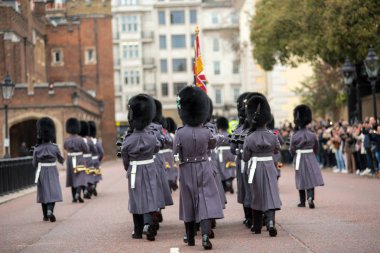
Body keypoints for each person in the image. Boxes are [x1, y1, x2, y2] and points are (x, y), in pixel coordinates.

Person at [174, 86, 224, 250]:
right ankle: (204, 236)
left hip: (186, 168)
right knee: (205, 201)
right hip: (204, 166)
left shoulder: (180, 133)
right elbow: (212, 145)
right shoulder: (206, 132)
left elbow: (176, 154)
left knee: (188, 202)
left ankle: (189, 238)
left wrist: (179, 163)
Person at [121, 94, 161, 241]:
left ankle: (137, 231)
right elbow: (156, 149)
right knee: (150, 198)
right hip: (150, 169)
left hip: (134, 171)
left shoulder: (128, 140)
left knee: (135, 199)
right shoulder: (152, 138)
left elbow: (125, 159)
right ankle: (148, 226)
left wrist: (129, 168)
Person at [242, 95, 281, 237]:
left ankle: (257, 226)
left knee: (256, 195)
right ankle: (270, 222)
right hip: (270, 166)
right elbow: (277, 150)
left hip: (255, 168)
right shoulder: (273, 136)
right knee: (270, 193)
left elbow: (246, 157)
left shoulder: (250, 137)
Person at [290, 105, 324, 209]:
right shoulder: (312, 134)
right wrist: (313, 155)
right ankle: (310, 198)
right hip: (311, 156)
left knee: (301, 178)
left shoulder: (295, 135)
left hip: (299, 157)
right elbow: (317, 147)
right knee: (311, 178)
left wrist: (294, 156)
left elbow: (292, 149)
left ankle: (302, 201)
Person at [33, 117, 64, 222]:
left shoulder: (37, 148)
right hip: (52, 170)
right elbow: (60, 159)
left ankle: (45, 215)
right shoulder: (54, 147)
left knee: (43, 192)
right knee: (53, 191)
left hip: (41, 170)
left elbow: (34, 163)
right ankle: (50, 210)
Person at [64, 118, 89, 203]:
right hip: (79, 159)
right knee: (80, 177)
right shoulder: (80, 139)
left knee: (72, 178)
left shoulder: (66, 139)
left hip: (70, 159)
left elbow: (64, 147)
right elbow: (86, 149)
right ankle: (78, 193)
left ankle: (74, 197)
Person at [216, 116, 236, 193]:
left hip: (221, 153)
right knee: (230, 166)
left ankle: (225, 184)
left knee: (222, 168)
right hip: (230, 152)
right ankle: (229, 180)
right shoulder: (230, 134)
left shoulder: (218, 135)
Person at [89, 121, 103, 196]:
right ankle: (94, 186)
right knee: (96, 175)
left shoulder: (86, 141)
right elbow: (101, 153)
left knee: (89, 175)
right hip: (95, 159)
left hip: (87, 160)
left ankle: (90, 187)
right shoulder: (96, 142)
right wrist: (99, 159)